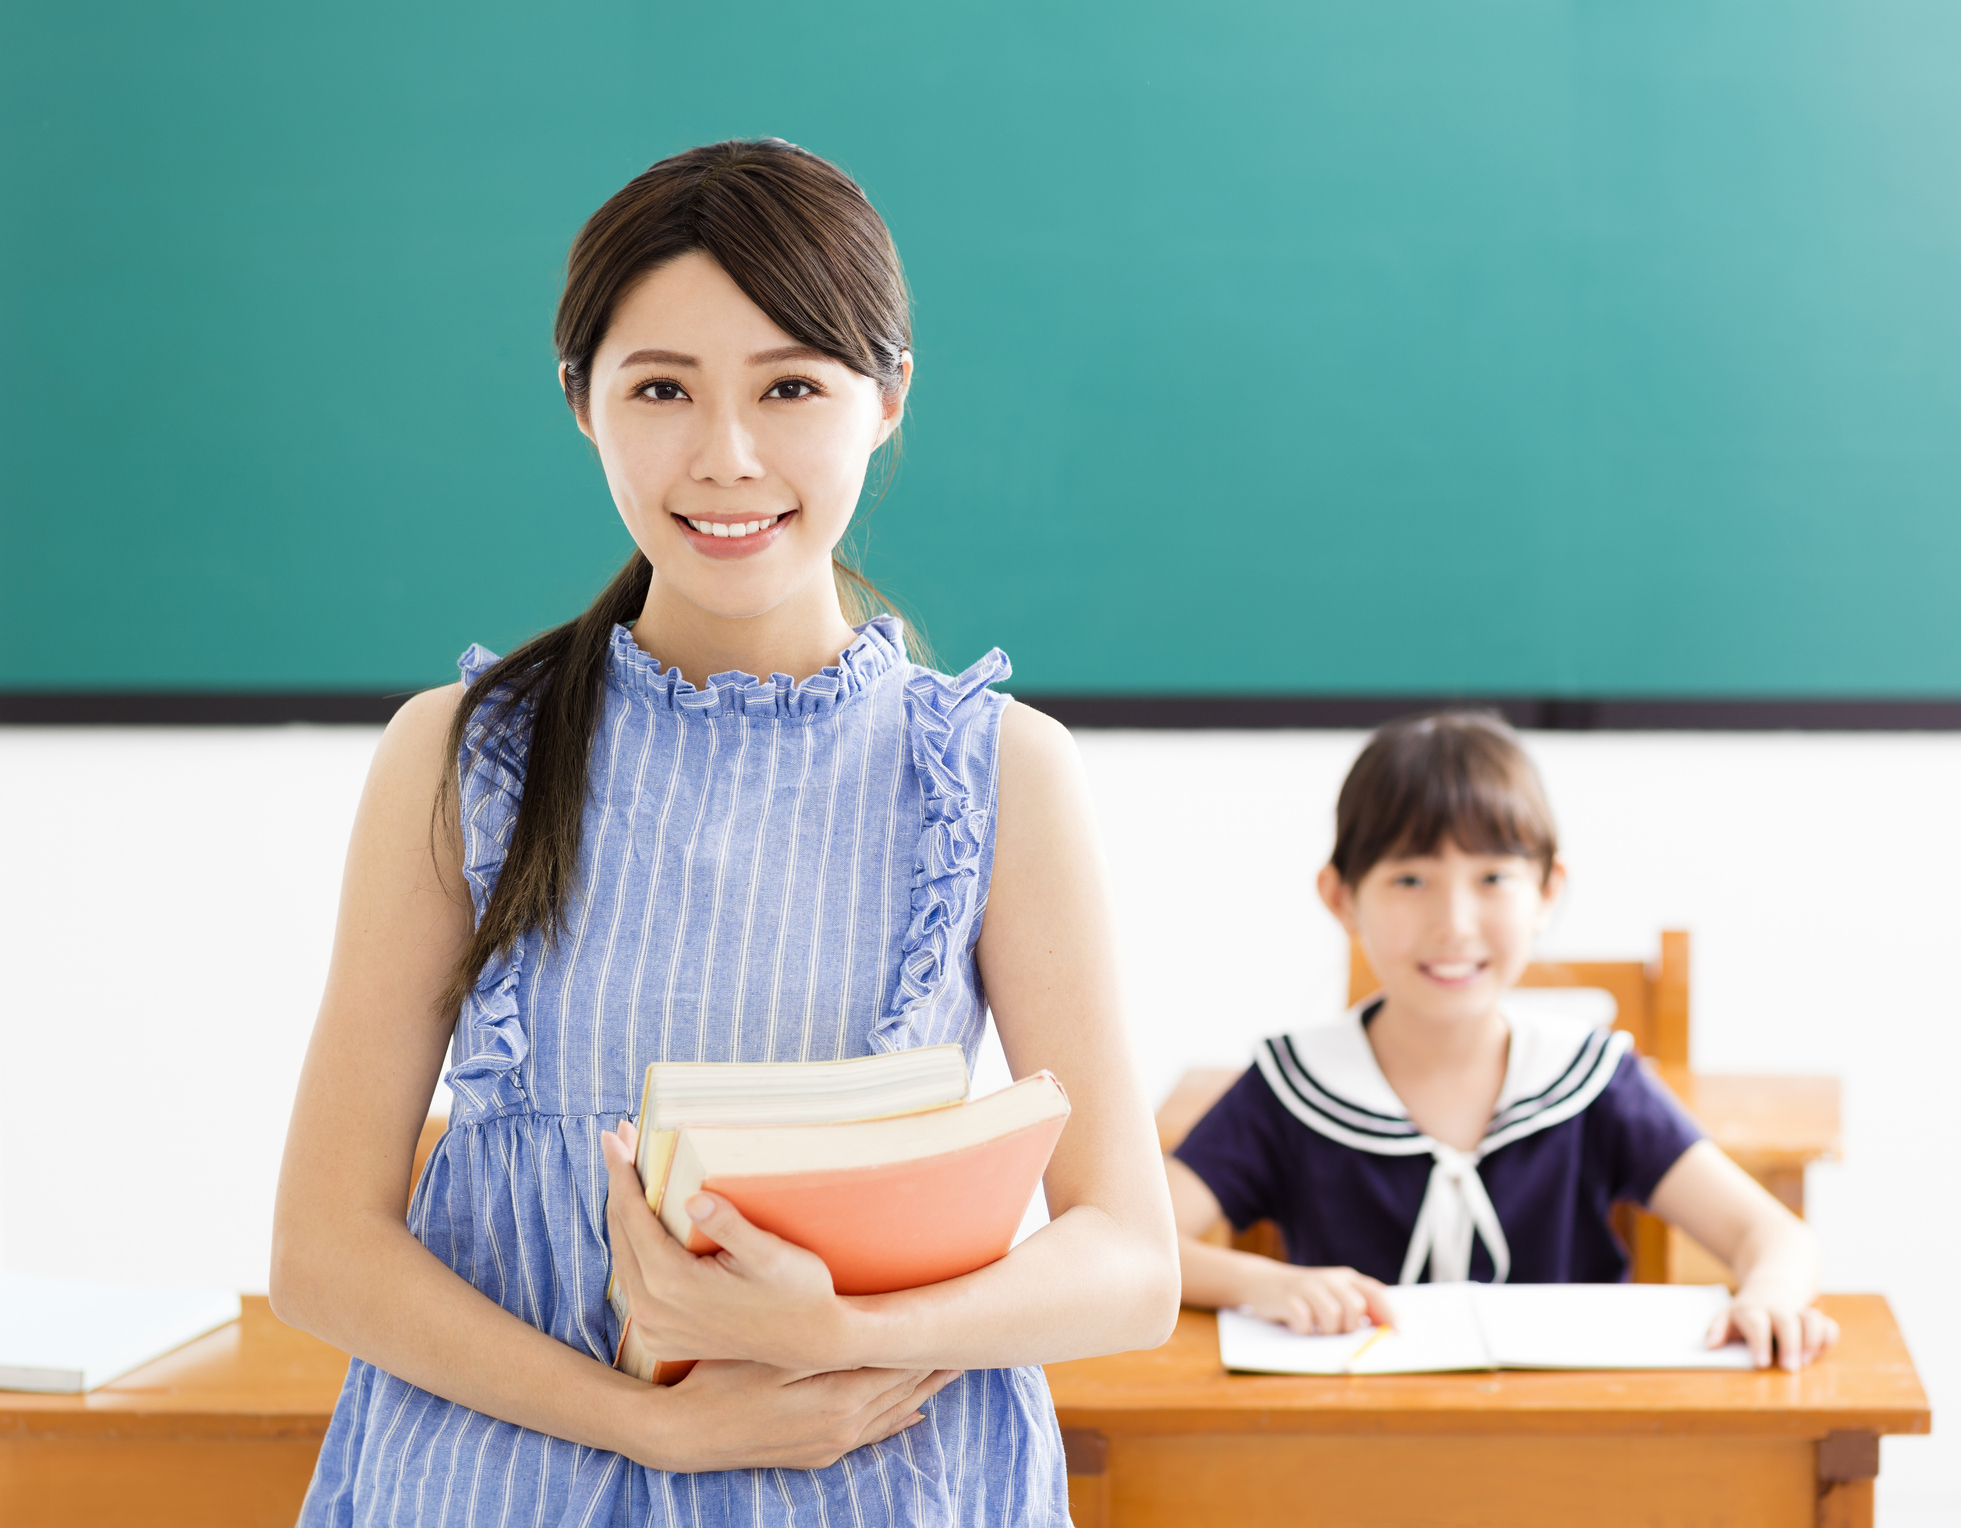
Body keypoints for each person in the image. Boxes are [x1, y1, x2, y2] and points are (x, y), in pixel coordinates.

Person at [271, 139, 1179, 1527]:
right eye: (660, 390)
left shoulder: (998, 771)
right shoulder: (457, 757)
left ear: (886, 402)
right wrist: (654, 1430)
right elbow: (323, 1250)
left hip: (887, 1485)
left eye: (791, 387)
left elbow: (1128, 1262)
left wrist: (839, 1340)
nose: (727, 457)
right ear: (581, 403)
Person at [1168, 711, 1838, 1371]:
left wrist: (1770, 1295)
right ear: (1340, 897)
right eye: (1409, 879)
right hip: (1353, 1445)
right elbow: (1147, 1243)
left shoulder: (1590, 1076)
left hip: (1571, 1444)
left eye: (1492, 878)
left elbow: (1772, 1234)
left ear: (1548, 892)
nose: (1453, 924)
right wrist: (1265, 1284)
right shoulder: (1295, 1080)